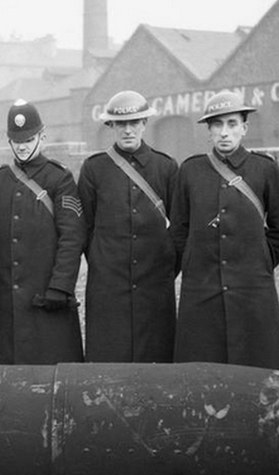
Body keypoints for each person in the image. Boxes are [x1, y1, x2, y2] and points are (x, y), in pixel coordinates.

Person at [170, 91, 279, 373]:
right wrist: (193, 262)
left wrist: (260, 261)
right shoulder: (190, 171)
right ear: (209, 131)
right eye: (217, 125)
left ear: (244, 128)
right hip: (201, 286)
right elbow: (179, 229)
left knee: (257, 364)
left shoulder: (265, 170)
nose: (224, 132)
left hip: (253, 286)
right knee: (201, 367)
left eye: (231, 124)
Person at [78, 90, 178, 363]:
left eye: (134, 123)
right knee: (109, 358)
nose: (128, 130)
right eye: (121, 124)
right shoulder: (94, 169)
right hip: (108, 285)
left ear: (144, 124)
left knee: (156, 357)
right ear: (110, 126)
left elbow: (179, 228)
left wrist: (165, 267)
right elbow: (85, 227)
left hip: (155, 282)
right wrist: (103, 262)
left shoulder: (166, 167)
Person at [0, 100, 84, 364]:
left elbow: (72, 237)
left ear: (42, 137)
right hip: (8, 297)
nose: (22, 146)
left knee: (52, 369)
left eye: (28, 139)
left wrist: (61, 286)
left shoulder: (60, 178)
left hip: (47, 294)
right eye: (16, 140)